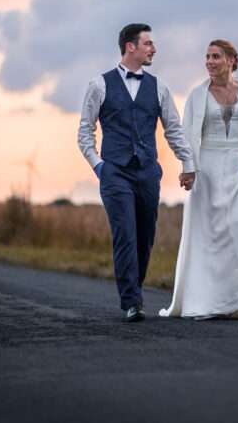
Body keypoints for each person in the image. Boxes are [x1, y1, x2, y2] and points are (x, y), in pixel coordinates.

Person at [77, 23, 196, 323]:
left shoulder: (159, 87)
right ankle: (132, 301)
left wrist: (188, 163)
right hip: (114, 172)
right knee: (125, 235)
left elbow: (174, 130)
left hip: (147, 172)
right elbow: (85, 132)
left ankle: (135, 288)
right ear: (130, 46)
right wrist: (99, 166)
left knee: (145, 236)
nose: (153, 49)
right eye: (148, 44)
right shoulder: (99, 85)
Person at [160, 39, 238, 320]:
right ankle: (214, 299)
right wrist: (188, 168)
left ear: (232, 60)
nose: (209, 62)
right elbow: (187, 135)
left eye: (216, 56)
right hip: (208, 169)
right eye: (207, 57)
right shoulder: (197, 96)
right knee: (210, 235)